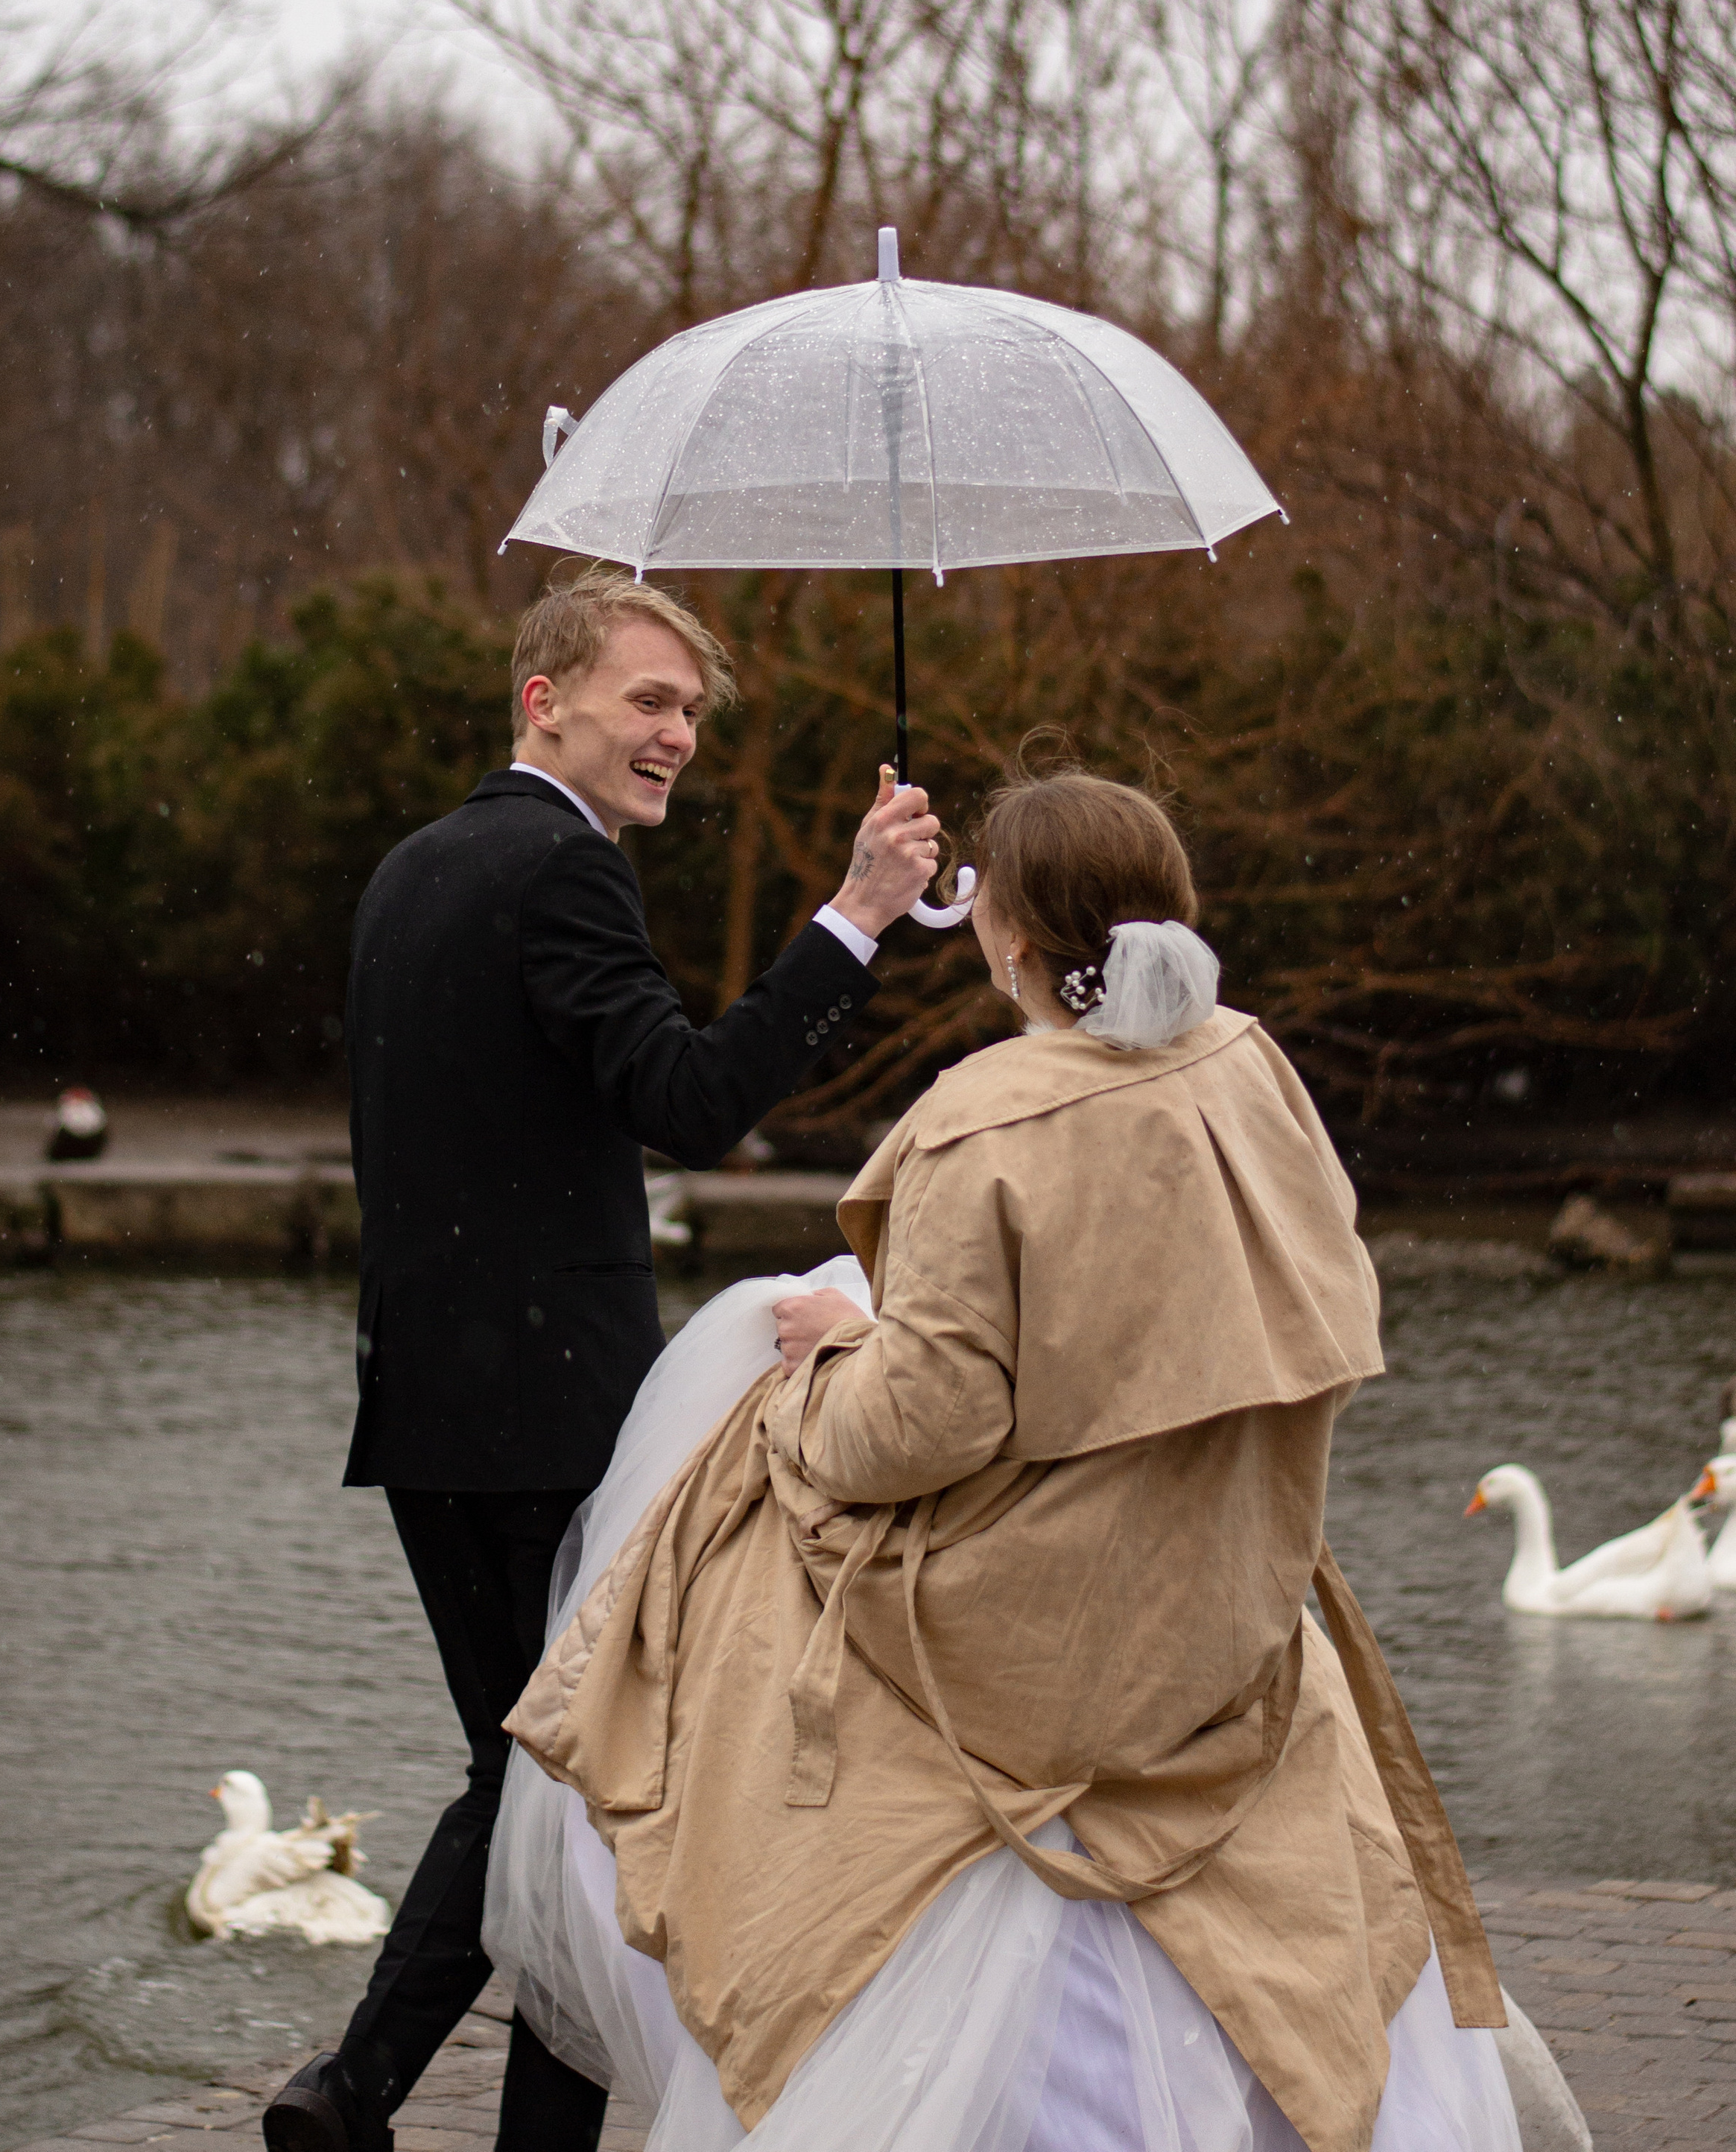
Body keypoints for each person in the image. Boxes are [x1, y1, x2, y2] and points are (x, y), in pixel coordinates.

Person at [486, 762, 1574, 2152]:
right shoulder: (1252, 1066)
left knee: (701, 1578)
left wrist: (821, 1365)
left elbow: (914, 1432)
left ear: (1003, 931)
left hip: (1035, 1633)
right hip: (1220, 1599)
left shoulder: (977, 1119)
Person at [263, 567, 943, 2152]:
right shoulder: (561, 874)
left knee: (535, 1778)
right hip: (550, 1410)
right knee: (580, 1782)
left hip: (424, 1405)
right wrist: (851, 918)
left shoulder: (411, 871)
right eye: (648, 701)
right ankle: (370, 2092)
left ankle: (353, 2092)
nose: (678, 737)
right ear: (543, 701)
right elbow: (690, 1098)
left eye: (693, 712)